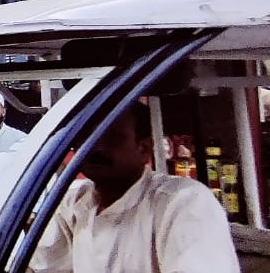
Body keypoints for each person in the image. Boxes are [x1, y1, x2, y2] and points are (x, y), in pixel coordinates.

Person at [28, 101, 239, 273]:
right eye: (87, 137)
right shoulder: (74, 202)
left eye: (111, 137)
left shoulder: (184, 202)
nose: (96, 147)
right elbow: (43, 266)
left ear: (144, 148)